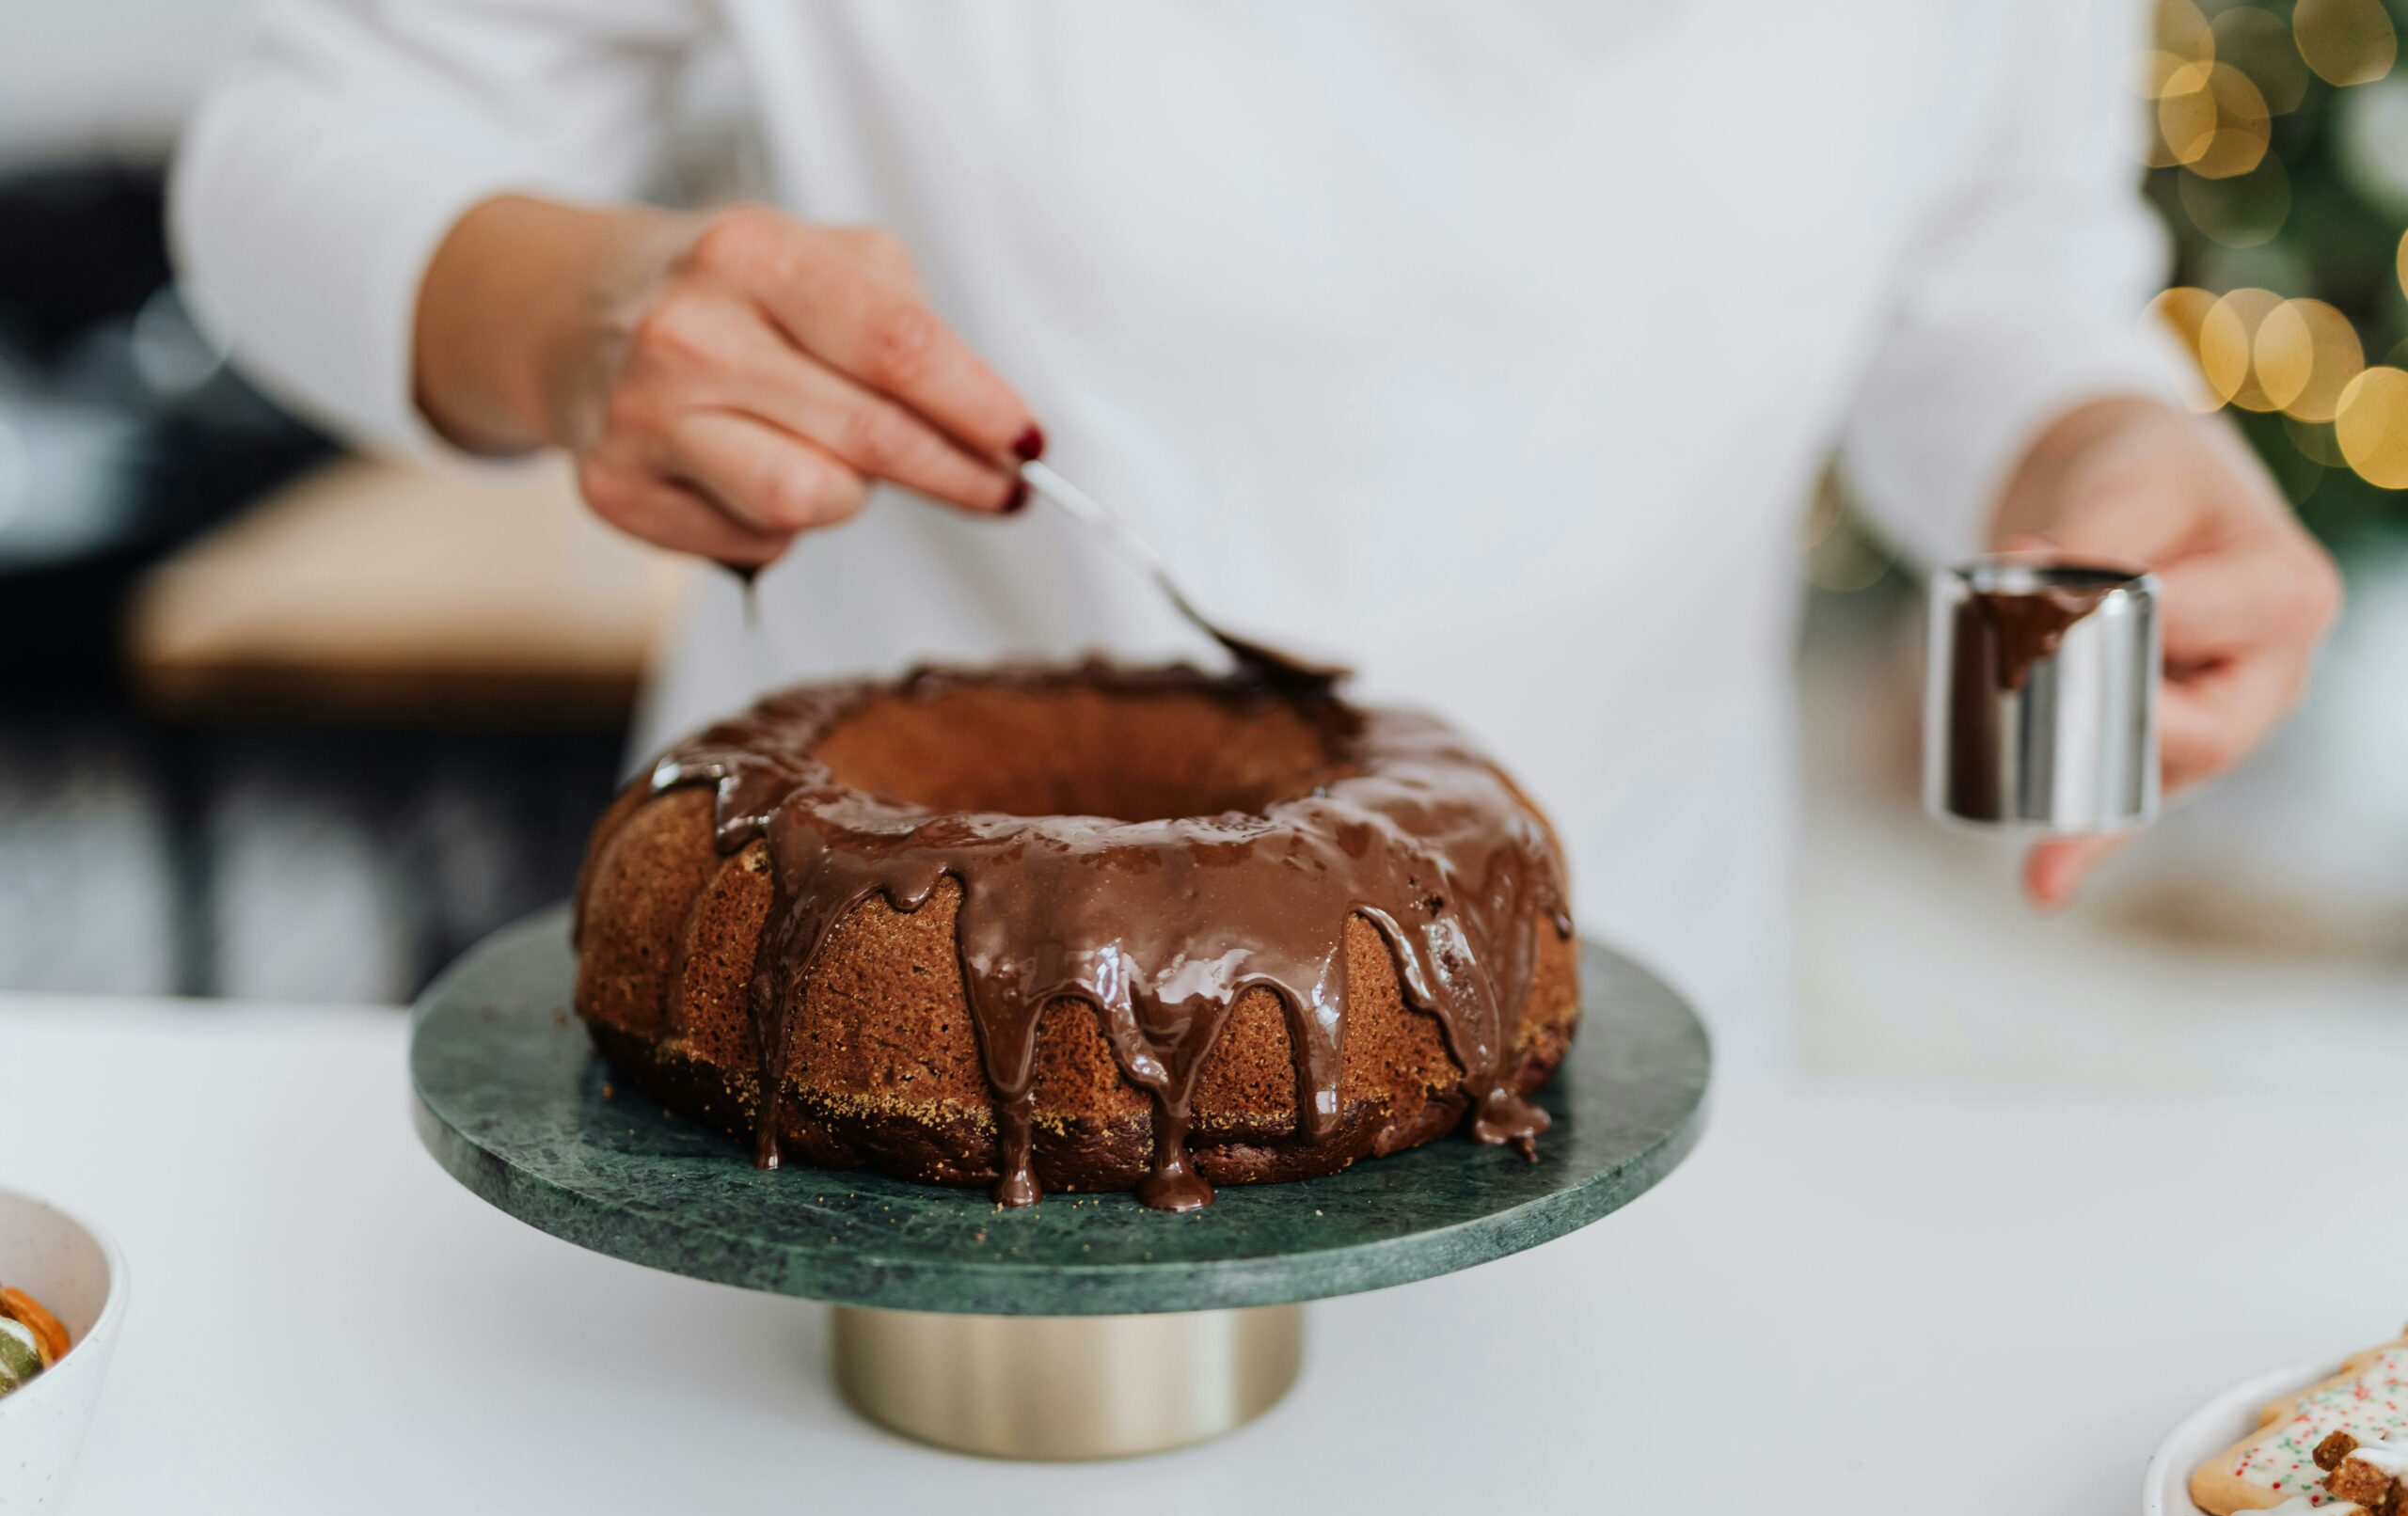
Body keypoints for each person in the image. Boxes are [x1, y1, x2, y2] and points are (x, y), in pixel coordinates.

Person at [171, 1, 2338, 1079]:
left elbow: (1992, 265)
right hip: (853, 1053)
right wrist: (571, 316)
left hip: (1622, 1016)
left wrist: (2089, 439)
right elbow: (302, 132)